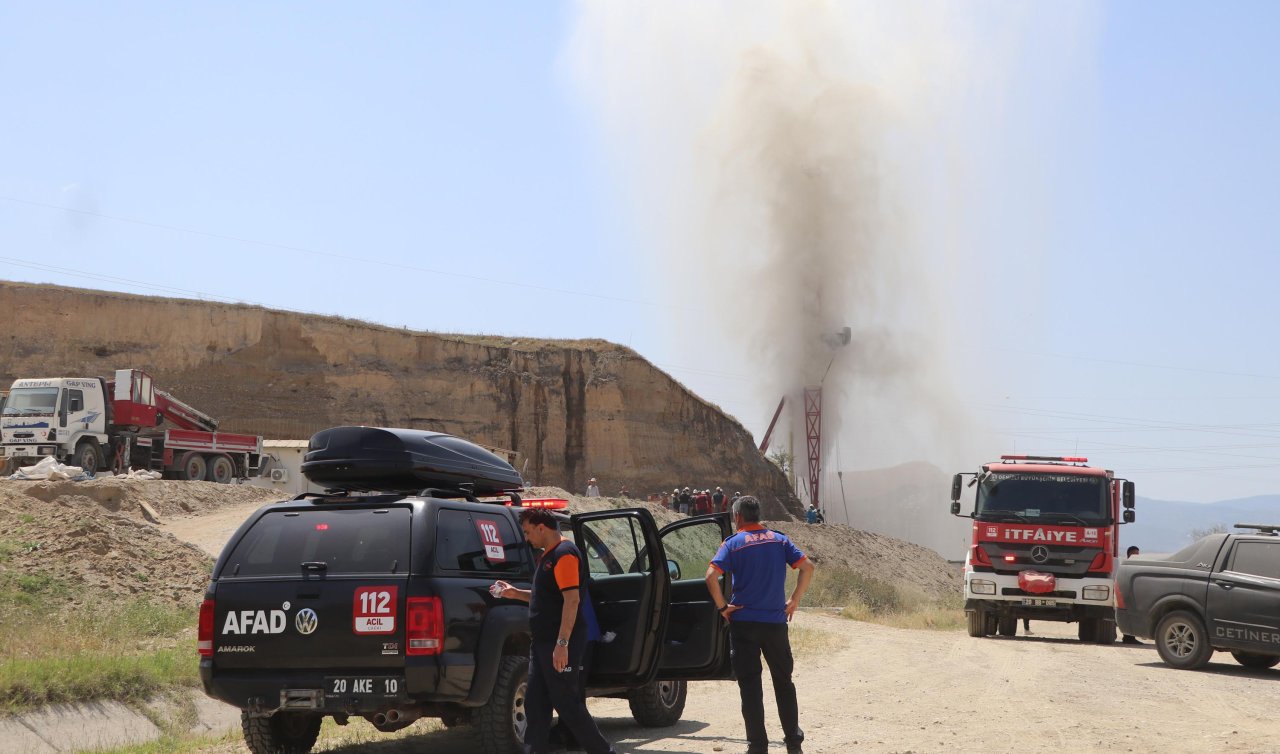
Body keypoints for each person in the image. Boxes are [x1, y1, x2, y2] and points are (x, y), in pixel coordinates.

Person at [493, 508, 616, 754]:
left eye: (528, 532)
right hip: (541, 643)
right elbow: (545, 598)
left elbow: (571, 601)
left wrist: (562, 644)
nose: (527, 538)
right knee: (535, 703)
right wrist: (514, 593)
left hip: (560, 642)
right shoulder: (547, 557)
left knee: (566, 702)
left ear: (542, 527)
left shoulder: (565, 554)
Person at [706, 496, 814, 754]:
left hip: (743, 624)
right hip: (775, 623)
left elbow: (711, 576)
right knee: (783, 682)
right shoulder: (780, 540)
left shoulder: (733, 544)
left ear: (738, 517)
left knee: (750, 686)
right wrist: (794, 600)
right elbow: (807, 567)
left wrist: (723, 608)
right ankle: (793, 744)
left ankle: (757, 746)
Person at [1122, 545, 1143, 645]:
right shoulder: (1125, 565)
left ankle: (1130, 637)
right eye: (1134, 554)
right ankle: (1128, 638)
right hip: (1126, 593)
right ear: (1129, 554)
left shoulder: (1137, 565)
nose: (1136, 556)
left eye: (1137, 554)